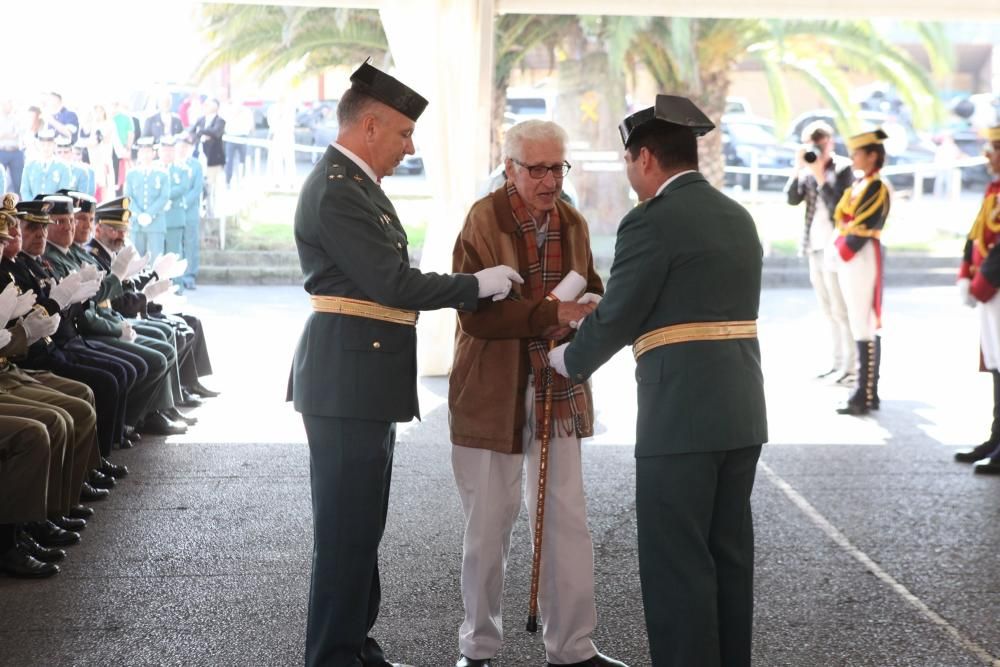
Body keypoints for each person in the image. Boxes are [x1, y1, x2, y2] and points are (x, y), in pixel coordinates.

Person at [286, 60, 521, 667]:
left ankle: (354, 645)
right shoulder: (338, 190)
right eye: (403, 133)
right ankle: (333, 657)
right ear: (369, 126)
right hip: (346, 380)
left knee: (361, 528)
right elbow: (392, 282)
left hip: (363, 378)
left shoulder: (356, 185)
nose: (409, 147)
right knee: (344, 532)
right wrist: (475, 285)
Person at [548, 95, 768, 667]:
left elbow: (621, 314)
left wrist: (567, 362)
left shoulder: (651, 220)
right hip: (742, 412)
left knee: (678, 567)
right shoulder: (736, 215)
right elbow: (688, 302)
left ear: (646, 158)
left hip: (680, 416)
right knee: (728, 559)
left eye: (627, 162)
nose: (628, 174)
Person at [448, 119, 624, 667]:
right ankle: (477, 649)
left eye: (558, 166)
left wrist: (587, 306)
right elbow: (474, 315)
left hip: (558, 389)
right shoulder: (482, 219)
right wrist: (549, 313)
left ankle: (573, 647)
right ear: (511, 168)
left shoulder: (572, 221)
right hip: (490, 393)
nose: (551, 180)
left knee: (567, 520)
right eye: (539, 168)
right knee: (487, 526)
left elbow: (590, 282)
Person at [785, 120, 855, 383]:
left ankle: (851, 366)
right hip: (814, 247)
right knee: (827, 309)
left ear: (831, 143)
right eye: (811, 143)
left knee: (841, 308)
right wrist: (798, 168)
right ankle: (837, 363)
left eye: (820, 143)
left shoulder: (843, 168)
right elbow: (791, 199)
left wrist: (818, 174)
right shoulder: (807, 168)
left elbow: (838, 205)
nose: (816, 148)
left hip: (835, 247)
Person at [832, 129, 891, 416]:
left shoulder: (877, 186)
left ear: (872, 155)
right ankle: (866, 390)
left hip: (861, 253)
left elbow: (862, 224)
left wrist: (843, 248)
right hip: (850, 254)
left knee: (863, 320)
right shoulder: (859, 184)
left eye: (857, 152)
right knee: (858, 320)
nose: (853, 157)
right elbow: (842, 215)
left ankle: (864, 393)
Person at [955, 125, 1000, 474]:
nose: (989, 154)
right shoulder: (992, 189)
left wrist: (981, 282)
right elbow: (975, 235)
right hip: (989, 289)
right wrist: (965, 275)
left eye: (995, 147)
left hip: (995, 285)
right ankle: (996, 437)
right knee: (996, 362)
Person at [125, 137, 169, 259]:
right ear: (138, 153)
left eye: (148, 151)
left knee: (157, 259)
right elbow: (128, 197)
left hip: (156, 222)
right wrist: (139, 214)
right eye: (142, 151)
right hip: (136, 223)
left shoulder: (163, 174)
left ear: (153, 153)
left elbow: (164, 196)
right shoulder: (131, 174)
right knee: (136, 259)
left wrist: (149, 214)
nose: (145, 155)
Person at [189, 99, 225, 218]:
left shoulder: (220, 121)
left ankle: (210, 210)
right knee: (197, 182)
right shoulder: (200, 119)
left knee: (211, 185)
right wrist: (200, 134)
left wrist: (202, 131)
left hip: (213, 158)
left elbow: (215, 133)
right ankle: (199, 208)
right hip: (199, 155)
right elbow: (192, 132)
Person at [177, 135, 203, 290]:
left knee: (190, 243)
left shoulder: (196, 166)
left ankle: (190, 275)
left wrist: (184, 203)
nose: (182, 149)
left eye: (186, 146)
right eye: (180, 146)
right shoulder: (173, 164)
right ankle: (177, 276)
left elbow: (197, 189)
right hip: (174, 211)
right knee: (175, 243)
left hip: (190, 210)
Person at [20, 129, 71, 202]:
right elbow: (25, 190)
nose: (46, 148)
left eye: (49, 144)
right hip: (32, 209)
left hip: (54, 210)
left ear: (54, 145)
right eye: (43, 144)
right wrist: (32, 205)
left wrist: (49, 206)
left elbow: (63, 192)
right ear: (37, 144)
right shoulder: (29, 166)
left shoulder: (63, 167)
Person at [0, 98, 26, 194]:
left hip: (16, 152)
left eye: (9, 104)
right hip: (1, 151)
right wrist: (8, 134)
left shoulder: (17, 119)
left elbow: (18, 133)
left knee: (18, 181)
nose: (8, 106)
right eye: (5, 104)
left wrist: (4, 134)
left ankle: (20, 205)